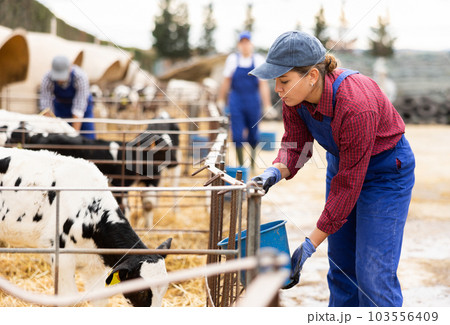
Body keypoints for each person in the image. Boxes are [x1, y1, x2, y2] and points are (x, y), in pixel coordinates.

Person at [250, 31, 415, 307]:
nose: (276, 88)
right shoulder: (294, 97)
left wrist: (308, 245)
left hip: (385, 173)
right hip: (345, 164)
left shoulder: (355, 105)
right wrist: (274, 172)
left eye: (283, 80)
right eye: (275, 81)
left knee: (372, 274)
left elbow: (348, 186)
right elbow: (296, 146)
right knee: (341, 269)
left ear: (312, 75)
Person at [217, 31, 272, 168]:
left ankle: (252, 165)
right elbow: (226, 81)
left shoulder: (258, 60)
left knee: (253, 134)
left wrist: (267, 104)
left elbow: (263, 84)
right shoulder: (232, 59)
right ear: (239, 45)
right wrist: (221, 99)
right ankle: (241, 165)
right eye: (242, 43)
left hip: (253, 100)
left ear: (251, 44)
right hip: (236, 100)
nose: (245, 45)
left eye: (247, 42)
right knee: (237, 135)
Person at [40, 55, 96, 139]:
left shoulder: (80, 77)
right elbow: (46, 108)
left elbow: (78, 109)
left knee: (87, 140)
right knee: (60, 139)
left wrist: (73, 138)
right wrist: (51, 130)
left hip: (83, 112)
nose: (59, 79)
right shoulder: (47, 78)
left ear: (70, 68)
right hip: (61, 109)